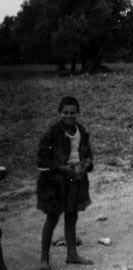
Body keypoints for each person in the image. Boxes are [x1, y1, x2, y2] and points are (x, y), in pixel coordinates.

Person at [36, 96, 93, 269]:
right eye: (66, 112)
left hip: (76, 179)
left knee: (72, 215)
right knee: (52, 217)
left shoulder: (81, 131)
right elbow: (42, 159)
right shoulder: (52, 133)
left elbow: (88, 154)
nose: (69, 116)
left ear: (78, 113)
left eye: (73, 113)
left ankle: (72, 254)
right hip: (55, 182)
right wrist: (62, 168)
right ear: (60, 113)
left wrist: (85, 165)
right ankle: (44, 259)